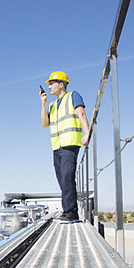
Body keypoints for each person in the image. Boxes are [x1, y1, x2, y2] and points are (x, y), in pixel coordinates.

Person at [40, 71, 89, 222]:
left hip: (70, 143)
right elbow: (44, 124)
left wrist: (87, 133)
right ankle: (69, 210)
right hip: (57, 146)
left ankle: (70, 213)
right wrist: (43, 104)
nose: (49, 87)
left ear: (61, 84)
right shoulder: (53, 105)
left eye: (51, 83)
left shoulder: (73, 96)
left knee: (67, 177)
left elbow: (81, 114)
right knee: (62, 179)